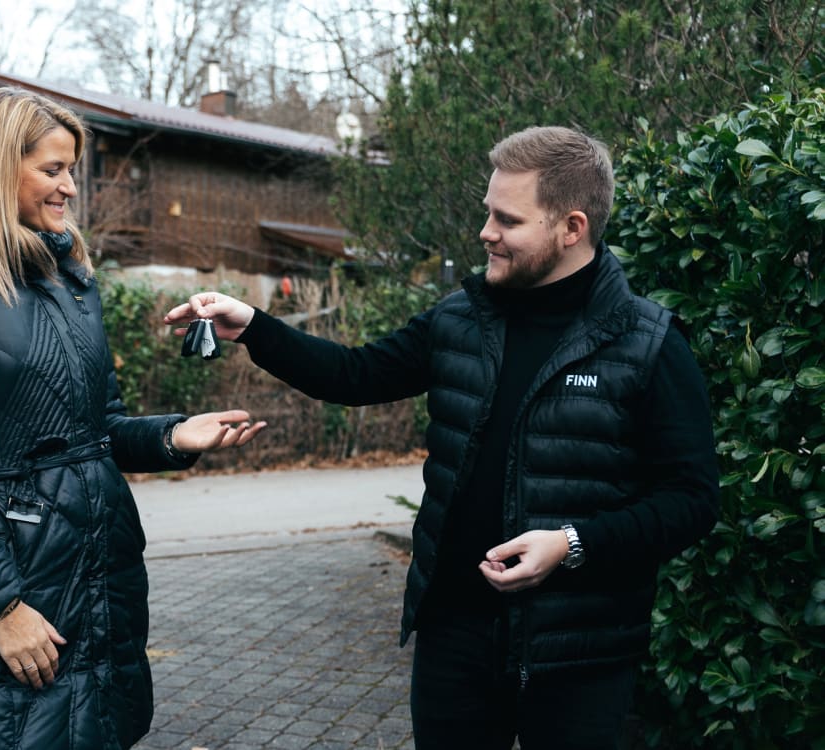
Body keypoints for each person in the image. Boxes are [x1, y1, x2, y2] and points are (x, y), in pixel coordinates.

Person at [164, 126, 719, 750]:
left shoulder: (647, 342)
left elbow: (691, 499)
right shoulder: (461, 318)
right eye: (488, 212)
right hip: (453, 639)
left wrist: (570, 544)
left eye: (507, 220)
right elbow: (356, 375)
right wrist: (255, 326)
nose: (486, 232)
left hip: (577, 654)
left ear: (572, 227)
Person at [0, 87, 266, 749]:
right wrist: (1, 606)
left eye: (71, 170)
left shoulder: (67, 279)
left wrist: (171, 436)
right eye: (52, 170)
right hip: (15, 590)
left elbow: (95, 430)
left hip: (100, 583)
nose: (70, 188)